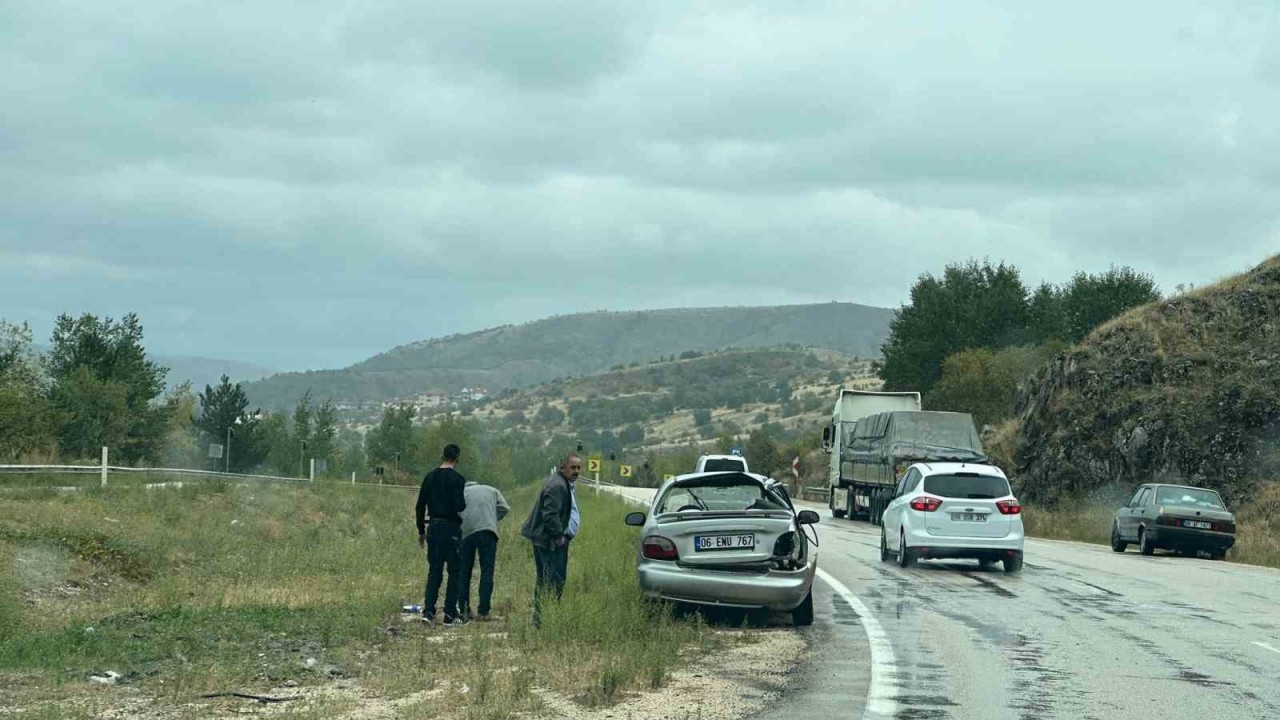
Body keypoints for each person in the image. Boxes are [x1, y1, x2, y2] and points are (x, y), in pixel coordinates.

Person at [520, 454, 580, 625]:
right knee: (553, 580)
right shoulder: (557, 485)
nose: (576, 471)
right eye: (572, 467)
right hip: (550, 542)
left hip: (548, 540)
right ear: (563, 468)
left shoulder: (562, 483)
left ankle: (542, 618)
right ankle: (545, 619)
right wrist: (559, 536)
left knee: (546, 579)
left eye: (578, 467)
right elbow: (550, 514)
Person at [414, 443, 467, 625]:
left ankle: (428, 611)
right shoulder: (459, 479)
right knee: (454, 571)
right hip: (451, 528)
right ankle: (450, 614)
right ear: (457, 458)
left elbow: (420, 506)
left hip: (434, 527)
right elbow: (461, 505)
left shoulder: (430, 477)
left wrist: (421, 531)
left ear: (443, 456)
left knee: (434, 570)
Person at [458, 479, 510, 620]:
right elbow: (505, 508)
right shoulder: (491, 490)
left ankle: (463, 610)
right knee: (487, 571)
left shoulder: (461, 492)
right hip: (488, 531)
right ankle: (483, 611)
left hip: (466, 533)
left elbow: (455, 512)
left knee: (464, 572)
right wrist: (492, 519)